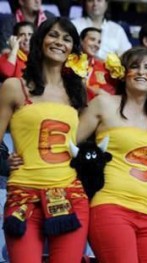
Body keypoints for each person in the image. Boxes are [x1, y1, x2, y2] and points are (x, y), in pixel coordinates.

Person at [0, 17, 88, 262]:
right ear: (40, 41)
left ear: (73, 49)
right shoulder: (14, 86)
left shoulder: (77, 90)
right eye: (53, 35)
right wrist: (3, 161)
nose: (59, 42)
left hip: (70, 196)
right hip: (23, 198)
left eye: (67, 38)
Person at [77, 46, 147, 262]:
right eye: (134, 66)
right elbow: (69, 145)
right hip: (111, 206)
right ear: (122, 72)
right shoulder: (103, 104)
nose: (141, 72)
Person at [80, 27, 117, 101]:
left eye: (99, 42)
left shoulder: (104, 67)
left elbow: (111, 95)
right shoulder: (69, 63)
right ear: (81, 41)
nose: (96, 44)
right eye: (92, 39)